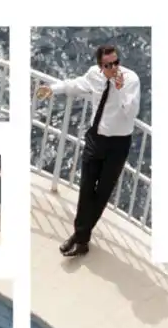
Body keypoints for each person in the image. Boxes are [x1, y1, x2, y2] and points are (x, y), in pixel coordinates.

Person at [35, 43, 141, 256]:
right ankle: (81, 237)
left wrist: (120, 89)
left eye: (116, 62)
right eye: (108, 65)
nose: (113, 68)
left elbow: (131, 113)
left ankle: (80, 237)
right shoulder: (94, 75)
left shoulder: (131, 80)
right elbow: (75, 84)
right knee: (86, 189)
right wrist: (53, 89)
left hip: (118, 143)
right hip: (95, 138)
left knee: (102, 193)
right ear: (100, 66)